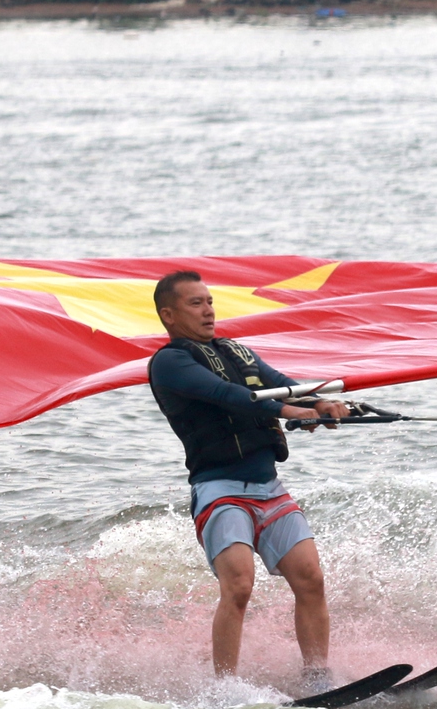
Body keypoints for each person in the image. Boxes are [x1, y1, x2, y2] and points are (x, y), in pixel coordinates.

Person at [146, 270, 349, 682]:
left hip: (268, 488)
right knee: (238, 584)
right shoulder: (170, 363)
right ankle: (225, 687)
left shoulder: (238, 352)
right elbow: (229, 396)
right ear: (169, 315)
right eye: (195, 303)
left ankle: (317, 677)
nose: (208, 311)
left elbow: (280, 387)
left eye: (209, 301)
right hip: (219, 491)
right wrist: (293, 412)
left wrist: (321, 403)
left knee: (310, 578)